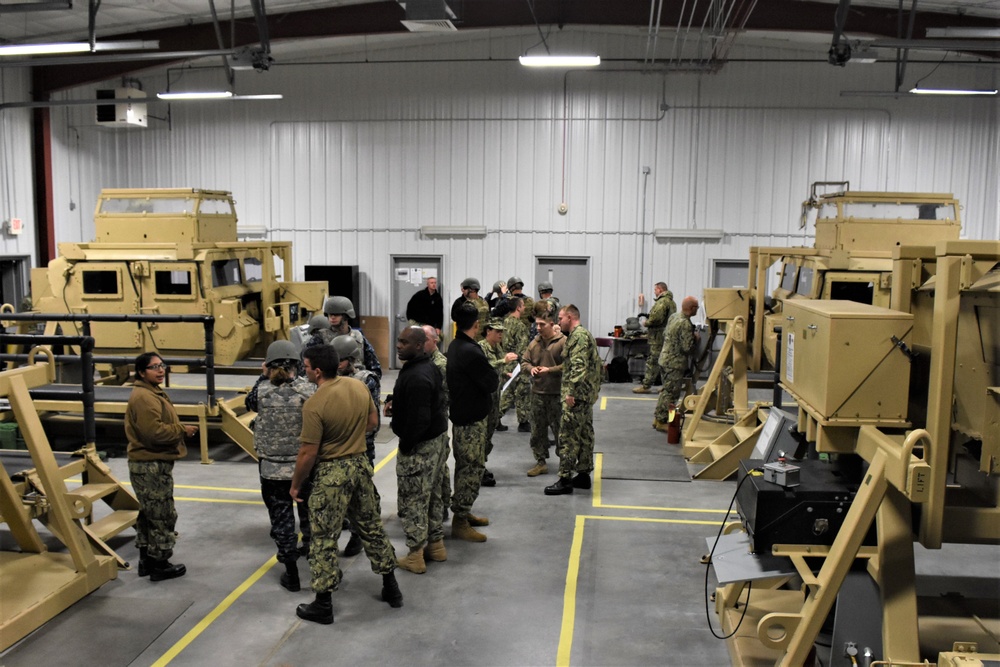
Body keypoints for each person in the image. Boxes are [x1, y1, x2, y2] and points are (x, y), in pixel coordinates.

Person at [291, 345, 402, 624]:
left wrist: (295, 485)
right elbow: (373, 422)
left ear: (317, 371)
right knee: (371, 528)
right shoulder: (358, 387)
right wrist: (349, 432)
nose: (304, 371)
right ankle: (392, 588)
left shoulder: (315, 404)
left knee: (324, 537)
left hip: (331, 476)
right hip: (360, 467)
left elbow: (308, 453)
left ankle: (323, 604)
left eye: (305, 367)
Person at [245, 340, 316, 592]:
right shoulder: (309, 391)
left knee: (282, 520)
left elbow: (250, 402)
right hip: (304, 468)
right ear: (297, 364)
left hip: (272, 471)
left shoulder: (260, 393)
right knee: (309, 514)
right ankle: (313, 554)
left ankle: (291, 573)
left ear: (268, 366)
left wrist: (262, 375)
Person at [125, 352, 197, 582]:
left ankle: (147, 559)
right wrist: (181, 430)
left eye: (162, 365)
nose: (160, 370)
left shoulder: (150, 393)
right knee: (162, 515)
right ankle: (159, 564)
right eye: (154, 367)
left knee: (149, 514)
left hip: (150, 463)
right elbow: (153, 432)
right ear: (141, 372)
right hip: (150, 465)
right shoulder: (145, 398)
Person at [386, 327, 449, 574]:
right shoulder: (425, 367)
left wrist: (407, 444)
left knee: (413, 500)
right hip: (435, 442)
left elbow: (419, 419)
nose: (399, 346)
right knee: (432, 495)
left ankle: (415, 556)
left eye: (405, 342)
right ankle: (436, 545)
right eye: (398, 341)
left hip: (420, 447)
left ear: (421, 345)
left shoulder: (417, 376)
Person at [446, 301, 499, 542]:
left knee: (465, 467)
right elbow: (490, 383)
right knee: (472, 468)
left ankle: (464, 513)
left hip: (464, 417)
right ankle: (459, 522)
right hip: (471, 422)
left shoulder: (456, 345)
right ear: (476, 325)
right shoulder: (471, 351)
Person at [332, 334, 382, 558]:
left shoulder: (366, 380)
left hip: (361, 445)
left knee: (361, 494)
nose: (336, 364)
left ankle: (358, 534)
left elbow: (371, 421)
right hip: (337, 446)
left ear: (351, 360)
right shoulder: (330, 377)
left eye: (340, 360)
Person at [545, 305, 603, 496]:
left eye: (560, 318)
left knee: (568, 436)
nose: (558, 322)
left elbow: (578, 367)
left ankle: (565, 478)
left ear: (570, 317)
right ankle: (584, 475)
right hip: (585, 395)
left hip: (577, 396)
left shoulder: (577, 336)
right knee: (585, 433)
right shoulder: (583, 335)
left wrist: (571, 392)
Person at [521, 303, 566, 477]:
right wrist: (530, 369)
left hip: (556, 394)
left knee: (560, 432)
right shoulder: (535, 343)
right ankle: (540, 462)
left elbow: (569, 365)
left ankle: (565, 463)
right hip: (538, 394)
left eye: (542, 325)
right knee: (537, 432)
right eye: (537, 324)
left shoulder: (563, 342)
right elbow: (524, 361)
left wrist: (551, 370)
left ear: (552, 324)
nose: (538, 328)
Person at [479, 318, 518, 487]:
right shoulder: (482, 347)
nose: (500, 334)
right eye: (497, 331)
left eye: (502, 331)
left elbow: (495, 370)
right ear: (488, 331)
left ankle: (482, 463)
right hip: (485, 397)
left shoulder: (498, 347)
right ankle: (478, 467)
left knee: (490, 431)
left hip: (495, 397)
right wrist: (504, 362)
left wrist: (505, 374)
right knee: (482, 434)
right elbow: (485, 367)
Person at [653, 296, 700, 433]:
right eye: (696, 307)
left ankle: (658, 418)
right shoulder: (685, 324)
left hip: (664, 359)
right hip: (675, 363)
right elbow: (687, 348)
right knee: (672, 395)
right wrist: (695, 339)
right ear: (692, 308)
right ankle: (663, 421)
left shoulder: (674, 317)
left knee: (666, 391)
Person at [422, 324, 453, 527]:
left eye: (424, 338)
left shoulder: (439, 364)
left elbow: (445, 395)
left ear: (435, 340)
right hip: (431, 422)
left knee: (439, 467)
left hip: (437, 422)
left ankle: (441, 507)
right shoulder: (423, 362)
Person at [324, 295, 382, 379]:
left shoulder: (358, 337)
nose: (332, 317)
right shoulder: (320, 338)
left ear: (346, 316)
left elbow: (374, 367)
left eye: (336, 314)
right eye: (330, 314)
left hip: (356, 380)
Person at [633, 282, 677, 394]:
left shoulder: (662, 302)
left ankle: (646, 386)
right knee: (665, 362)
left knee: (653, 361)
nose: (654, 292)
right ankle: (666, 386)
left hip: (658, 337)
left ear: (660, 289)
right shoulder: (672, 303)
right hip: (667, 336)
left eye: (655, 290)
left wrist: (646, 323)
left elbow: (657, 319)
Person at [498, 296, 531, 433]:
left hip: (505, 360)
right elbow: (523, 348)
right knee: (522, 391)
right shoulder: (520, 326)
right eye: (522, 305)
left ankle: (495, 419)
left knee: (506, 392)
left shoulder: (503, 323)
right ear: (518, 308)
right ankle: (523, 422)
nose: (524, 308)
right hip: (517, 363)